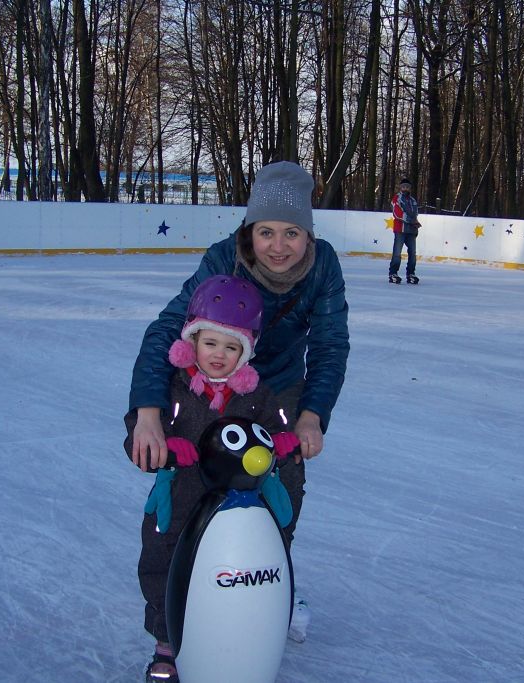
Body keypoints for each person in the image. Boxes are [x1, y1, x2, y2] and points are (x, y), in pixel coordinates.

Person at [127, 160, 350, 670]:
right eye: (266, 231)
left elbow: (330, 346)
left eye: (292, 232)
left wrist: (311, 416)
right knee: (188, 495)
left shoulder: (323, 267)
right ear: (250, 230)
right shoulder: (224, 257)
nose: (278, 246)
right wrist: (148, 413)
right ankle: (175, 619)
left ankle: (263, 588)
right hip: (213, 382)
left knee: (280, 491)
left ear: (309, 234)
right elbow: (166, 330)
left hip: (278, 388)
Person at [124, 274, 300, 681]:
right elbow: (138, 436)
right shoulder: (172, 390)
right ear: (193, 340)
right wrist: (165, 449)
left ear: (246, 352)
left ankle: (234, 627)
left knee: (231, 567)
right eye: (210, 343)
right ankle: (167, 642)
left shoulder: (256, 395)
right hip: (179, 500)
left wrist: (281, 441)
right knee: (163, 561)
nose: (219, 354)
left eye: (231, 347)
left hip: (236, 507)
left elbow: (278, 424)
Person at [389, 177, 420, 284]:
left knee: (412, 253)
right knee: (397, 253)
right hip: (400, 230)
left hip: (411, 231)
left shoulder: (413, 201)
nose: (405, 188)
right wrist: (412, 221)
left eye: (407, 187)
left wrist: (415, 225)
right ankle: (393, 273)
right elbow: (397, 214)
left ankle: (411, 273)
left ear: (410, 188)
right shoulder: (396, 199)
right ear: (400, 187)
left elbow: (415, 214)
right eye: (403, 187)